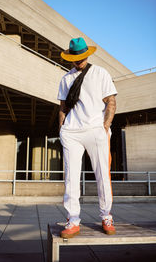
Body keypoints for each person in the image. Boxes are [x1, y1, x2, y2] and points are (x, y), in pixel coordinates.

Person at [57, 37, 117, 238]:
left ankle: (106, 215)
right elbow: (63, 108)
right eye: (76, 58)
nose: (79, 61)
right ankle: (73, 220)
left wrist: (104, 127)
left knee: (102, 174)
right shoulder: (66, 79)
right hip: (72, 132)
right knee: (70, 177)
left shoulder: (100, 73)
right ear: (70, 58)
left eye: (82, 57)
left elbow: (111, 101)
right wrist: (62, 130)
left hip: (95, 130)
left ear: (88, 55)